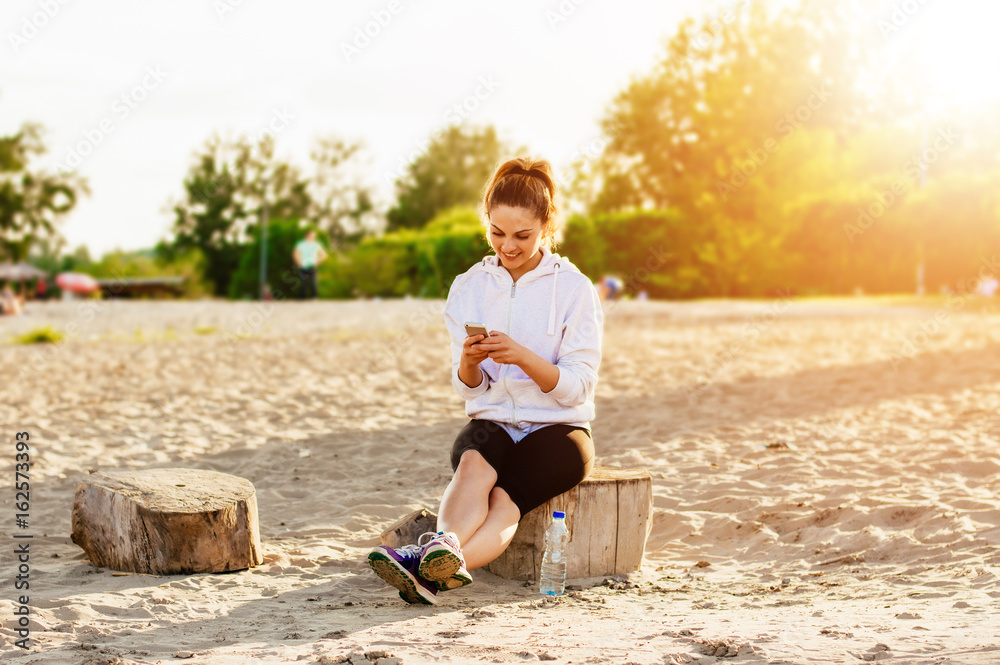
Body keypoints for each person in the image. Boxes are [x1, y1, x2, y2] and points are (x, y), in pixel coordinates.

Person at [367, 157, 604, 604]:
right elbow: (469, 389)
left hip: (559, 429)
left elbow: (580, 386)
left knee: (503, 503)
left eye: (522, 235)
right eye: (497, 232)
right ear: (486, 223)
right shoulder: (469, 286)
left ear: (547, 226)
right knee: (473, 463)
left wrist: (522, 357)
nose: (508, 246)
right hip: (491, 420)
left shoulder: (574, 289)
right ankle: (443, 552)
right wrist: (469, 363)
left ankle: (425, 573)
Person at [292, 230, 327, 300]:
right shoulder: (301, 244)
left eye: (314, 236)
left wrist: (318, 262)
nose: (313, 237)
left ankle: (314, 297)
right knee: (303, 282)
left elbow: (324, 254)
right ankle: (303, 297)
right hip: (303, 265)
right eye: (312, 236)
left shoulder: (316, 244)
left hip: (312, 265)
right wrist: (299, 263)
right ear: (307, 236)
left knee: (313, 282)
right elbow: (295, 253)